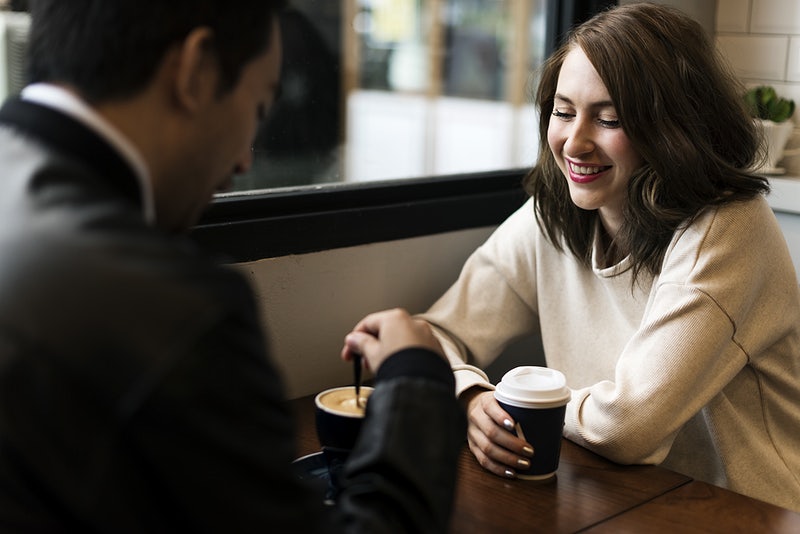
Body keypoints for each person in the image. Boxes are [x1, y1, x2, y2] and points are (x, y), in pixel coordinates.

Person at [0, 1, 465, 532]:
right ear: (197, 69)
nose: (245, 159)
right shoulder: (170, 306)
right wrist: (416, 380)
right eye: (258, 108)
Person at [418, 2, 800, 512]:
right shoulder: (554, 214)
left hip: (746, 513)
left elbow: (627, 427)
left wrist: (520, 401)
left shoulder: (729, 229)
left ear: (674, 129)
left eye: (610, 118)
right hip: (615, 497)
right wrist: (469, 397)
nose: (574, 143)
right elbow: (436, 332)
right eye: (563, 111)